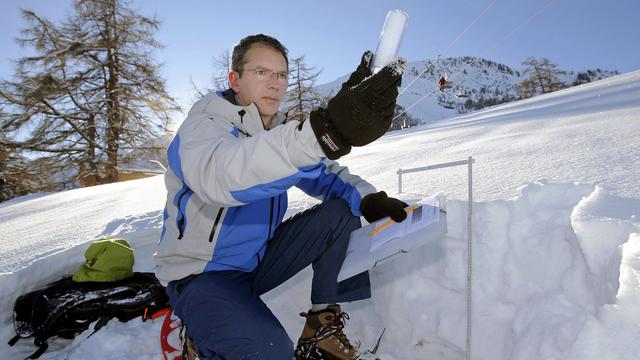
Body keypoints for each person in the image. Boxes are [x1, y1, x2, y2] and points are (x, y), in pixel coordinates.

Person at [153, 34, 408, 360]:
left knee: (340, 212)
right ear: (235, 79)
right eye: (261, 72)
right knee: (269, 352)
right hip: (201, 276)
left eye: (281, 75)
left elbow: (327, 176)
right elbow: (223, 176)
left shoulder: (278, 131)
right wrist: (320, 134)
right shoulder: (204, 125)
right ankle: (200, 338)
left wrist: (370, 200)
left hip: (257, 263)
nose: (275, 83)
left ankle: (321, 328)